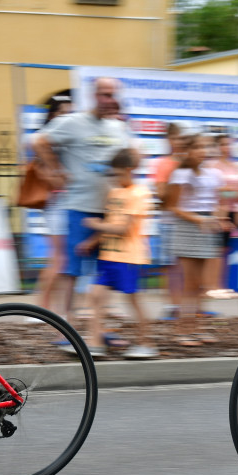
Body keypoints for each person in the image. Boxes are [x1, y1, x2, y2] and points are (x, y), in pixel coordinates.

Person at [32, 77, 131, 334]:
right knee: (72, 271)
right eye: (105, 94)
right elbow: (39, 142)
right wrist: (56, 170)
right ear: (94, 96)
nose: (110, 100)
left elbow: (128, 160)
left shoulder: (119, 128)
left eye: (113, 95)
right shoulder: (73, 122)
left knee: (105, 273)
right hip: (79, 207)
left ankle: (97, 330)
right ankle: (69, 329)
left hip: (111, 210)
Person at [76, 148, 158, 359]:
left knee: (133, 301)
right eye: (112, 174)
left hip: (129, 258)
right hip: (108, 256)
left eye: (119, 174)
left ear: (130, 170)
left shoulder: (140, 193)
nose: (115, 179)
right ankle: (95, 344)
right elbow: (111, 224)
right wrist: (91, 241)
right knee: (95, 297)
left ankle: (146, 343)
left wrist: (96, 224)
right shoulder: (115, 193)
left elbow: (123, 229)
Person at [163, 133, 228, 347]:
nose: (203, 151)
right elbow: (172, 207)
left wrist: (220, 217)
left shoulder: (214, 174)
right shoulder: (180, 174)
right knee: (189, 283)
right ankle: (183, 330)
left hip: (206, 227)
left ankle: (196, 329)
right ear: (187, 151)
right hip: (188, 228)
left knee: (201, 285)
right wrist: (198, 219)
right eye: (198, 147)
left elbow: (218, 201)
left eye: (205, 147)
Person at [29, 92, 73, 315]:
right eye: (63, 113)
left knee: (63, 260)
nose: (68, 118)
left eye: (71, 113)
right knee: (59, 259)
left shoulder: (64, 139)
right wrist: (58, 174)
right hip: (57, 204)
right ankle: (41, 308)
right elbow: (45, 173)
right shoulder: (45, 137)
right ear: (53, 115)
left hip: (66, 203)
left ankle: (50, 308)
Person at [151, 122, 191, 318]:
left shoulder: (191, 163)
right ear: (169, 140)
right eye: (176, 138)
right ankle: (172, 305)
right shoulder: (163, 164)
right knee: (171, 267)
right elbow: (160, 194)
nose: (180, 142)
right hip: (169, 221)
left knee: (188, 266)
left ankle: (189, 305)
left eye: (183, 138)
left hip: (188, 221)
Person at [206, 131, 238, 299]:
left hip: (234, 212)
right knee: (216, 250)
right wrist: (233, 194)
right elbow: (217, 193)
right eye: (223, 144)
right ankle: (212, 286)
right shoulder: (213, 167)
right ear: (217, 147)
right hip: (219, 211)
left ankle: (221, 285)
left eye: (229, 144)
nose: (227, 148)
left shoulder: (237, 166)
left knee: (225, 250)